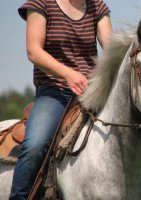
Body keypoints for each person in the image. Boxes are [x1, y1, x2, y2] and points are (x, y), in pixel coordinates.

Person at [9, 0, 112, 199]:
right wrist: (68, 74)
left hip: (92, 93)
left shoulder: (97, 6)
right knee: (34, 146)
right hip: (54, 92)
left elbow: (112, 48)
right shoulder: (41, 3)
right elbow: (34, 51)